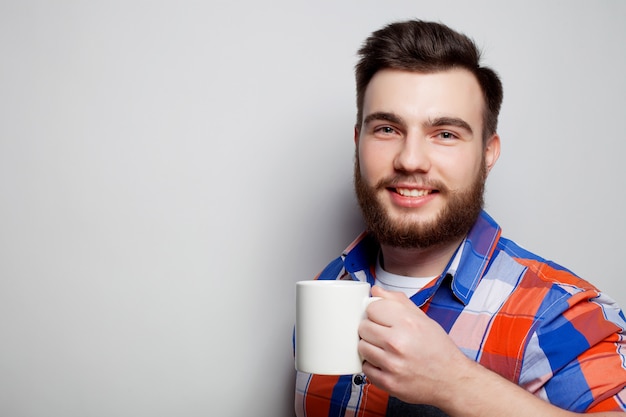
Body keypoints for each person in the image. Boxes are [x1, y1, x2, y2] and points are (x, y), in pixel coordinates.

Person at [294, 19, 626, 416]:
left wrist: (455, 383)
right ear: (358, 143)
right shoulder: (329, 285)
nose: (410, 160)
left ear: (488, 154)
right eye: (386, 129)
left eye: (445, 134)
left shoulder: (562, 315)